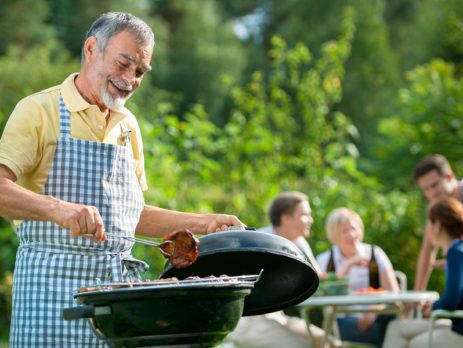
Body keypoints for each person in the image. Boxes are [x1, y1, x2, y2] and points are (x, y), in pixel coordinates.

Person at [0, 12, 244, 347]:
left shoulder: (128, 125)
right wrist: (58, 209)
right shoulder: (39, 111)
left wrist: (206, 222)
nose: (130, 78)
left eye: (140, 71)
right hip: (51, 294)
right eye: (123, 63)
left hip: (121, 303)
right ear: (90, 49)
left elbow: (132, 216)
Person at [222, 191, 327, 348]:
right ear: (285, 218)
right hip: (250, 322)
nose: (310, 220)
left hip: (276, 317)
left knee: (327, 341)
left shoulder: (299, 242)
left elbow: (318, 279)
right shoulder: (261, 242)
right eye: (305, 215)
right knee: (306, 345)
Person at [382, 197, 463, 348]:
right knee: (395, 328)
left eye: (429, 223)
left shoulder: (455, 252)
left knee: (414, 344)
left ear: (437, 225)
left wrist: (432, 307)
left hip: (459, 330)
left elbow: (451, 301)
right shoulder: (458, 251)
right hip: (455, 323)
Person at [316, 208, 399, 348]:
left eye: (354, 229)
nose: (352, 235)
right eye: (345, 231)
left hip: (378, 316)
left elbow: (393, 292)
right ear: (335, 234)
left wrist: (374, 310)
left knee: (389, 322)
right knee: (392, 332)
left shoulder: (375, 253)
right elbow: (325, 293)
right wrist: (350, 263)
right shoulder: (325, 259)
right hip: (343, 319)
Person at [412, 154, 463, 291]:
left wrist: (456, 261)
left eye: (435, 185)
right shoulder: (437, 206)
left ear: (450, 177)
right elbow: (427, 250)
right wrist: (417, 296)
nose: (432, 193)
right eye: (426, 189)